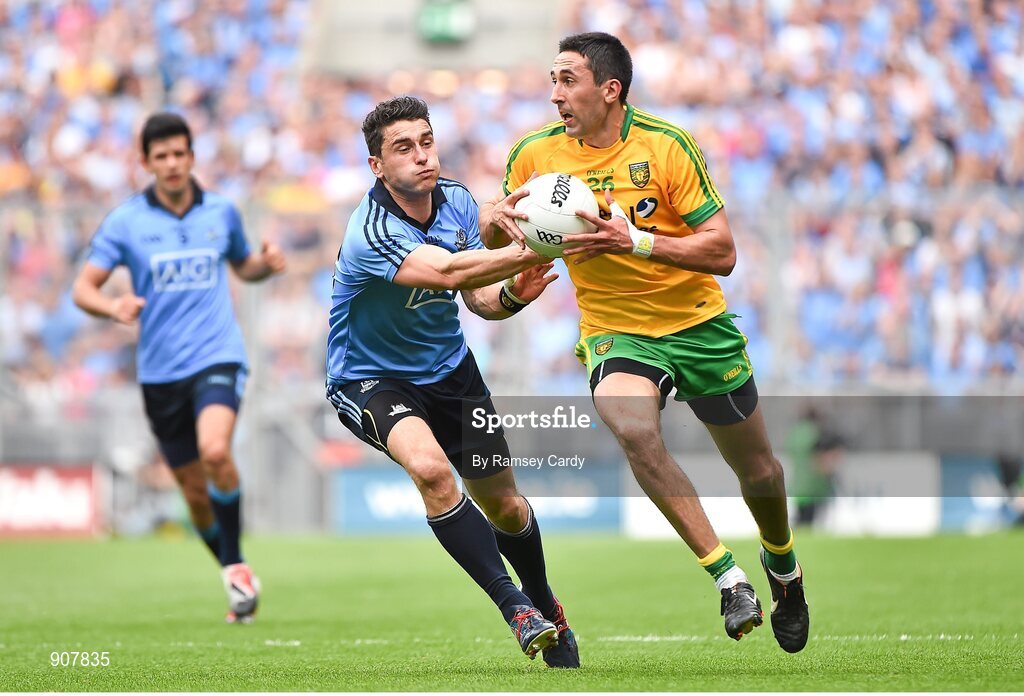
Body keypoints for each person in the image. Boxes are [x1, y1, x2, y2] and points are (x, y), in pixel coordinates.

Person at [480, 32, 810, 653]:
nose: (555, 95)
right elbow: (505, 243)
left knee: (760, 470)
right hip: (614, 328)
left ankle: (783, 568)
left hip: (697, 323)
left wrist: (633, 240)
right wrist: (495, 228)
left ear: (610, 90)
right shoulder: (533, 155)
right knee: (634, 430)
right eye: (551, 81)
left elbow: (724, 252)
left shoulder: (666, 145)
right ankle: (728, 577)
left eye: (567, 80)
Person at [325, 96, 579, 667]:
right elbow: (447, 271)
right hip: (370, 379)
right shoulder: (371, 229)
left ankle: (544, 604)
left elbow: (477, 299)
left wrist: (514, 294)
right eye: (403, 148)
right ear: (376, 166)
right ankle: (514, 607)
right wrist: (532, 245)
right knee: (433, 471)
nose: (421, 156)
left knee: (507, 506)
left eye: (427, 142)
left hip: (452, 374)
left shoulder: (460, 202)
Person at [72, 112, 286, 624]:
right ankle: (235, 568)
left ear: (192, 156)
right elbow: (84, 289)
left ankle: (234, 566)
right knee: (193, 492)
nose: (171, 163)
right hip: (159, 374)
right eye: (160, 156)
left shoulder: (221, 212)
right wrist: (112, 308)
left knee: (216, 451)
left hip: (217, 356)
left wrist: (265, 264)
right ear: (145, 162)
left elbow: (243, 267)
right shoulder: (125, 222)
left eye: (179, 153)